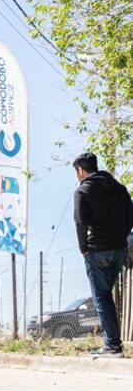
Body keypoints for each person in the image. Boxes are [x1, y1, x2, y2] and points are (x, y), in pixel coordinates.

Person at [73, 152, 133, 357]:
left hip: (96, 250)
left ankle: (113, 345)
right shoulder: (119, 188)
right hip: (119, 249)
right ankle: (112, 342)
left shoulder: (83, 191)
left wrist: (83, 247)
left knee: (101, 297)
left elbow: (80, 222)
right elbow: (130, 216)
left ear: (81, 170)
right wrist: (120, 237)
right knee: (106, 296)